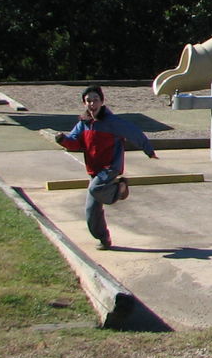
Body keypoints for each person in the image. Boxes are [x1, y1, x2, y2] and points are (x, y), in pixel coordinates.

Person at [53, 85, 157, 250]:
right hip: (94, 170)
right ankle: (104, 239)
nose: (92, 104)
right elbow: (74, 142)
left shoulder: (112, 122)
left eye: (95, 100)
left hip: (110, 167)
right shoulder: (83, 124)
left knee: (95, 189)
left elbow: (133, 132)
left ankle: (120, 189)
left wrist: (148, 150)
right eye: (88, 101)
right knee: (91, 210)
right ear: (84, 103)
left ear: (102, 101)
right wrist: (62, 140)